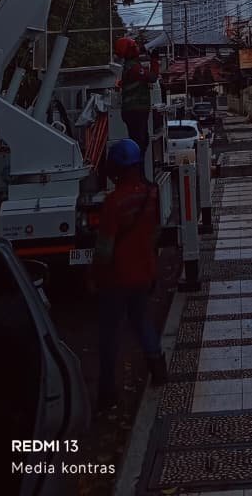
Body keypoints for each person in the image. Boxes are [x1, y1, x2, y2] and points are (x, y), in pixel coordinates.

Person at [91, 138, 167, 411]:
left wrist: (94, 275)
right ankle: (158, 368)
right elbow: (154, 232)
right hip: (144, 272)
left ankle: (107, 393)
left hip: (116, 278)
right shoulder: (151, 194)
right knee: (141, 320)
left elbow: (104, 249)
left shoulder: (114, 203)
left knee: (110, 334)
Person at [115, 34, 159, 167]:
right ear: (129, 51)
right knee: (139, 143)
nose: (137, 49)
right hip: (136, 111)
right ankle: (137, 174)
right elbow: (152, 77)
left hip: (133, 111)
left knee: (142, 141)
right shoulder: (134, 68)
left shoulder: (130, 67)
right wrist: (154, 60)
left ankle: (139, 174)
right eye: (134, 47)